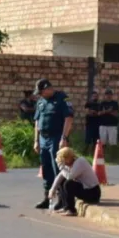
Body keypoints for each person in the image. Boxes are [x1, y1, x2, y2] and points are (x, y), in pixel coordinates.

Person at [32, 78, 74, 209]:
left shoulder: (62, 99)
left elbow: (69, 118)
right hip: (43, 138)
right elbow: (37, 122)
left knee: (58, 168)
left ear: (48, 88)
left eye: (42, 92)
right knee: (46, 168)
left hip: (57, 138)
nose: (40, 95)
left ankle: (62, 199)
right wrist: (36, 140)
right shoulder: (40, 102)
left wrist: (64, 138)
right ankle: (47, 197)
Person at [48, 147, 101, 217]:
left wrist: (61, 167)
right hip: (85, 189)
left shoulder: (80, 162)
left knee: (68, 183)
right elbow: (60, 176)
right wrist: (52, 189)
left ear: (68, 158)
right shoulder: (70, 163)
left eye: (63, 161)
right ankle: (65, 206)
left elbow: (70, 176)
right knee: (62, 181)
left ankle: (71, 210)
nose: (63, 164)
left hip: (93, 193)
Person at [83, 90, 101, 155]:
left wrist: (94, 112)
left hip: (97, 125)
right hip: (89, 124)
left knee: (95, 141)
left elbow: (100, 113)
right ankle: (85, 153)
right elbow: (87, 112)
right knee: (87, 140)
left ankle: (93, 154)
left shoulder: (99, 104)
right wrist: (92, 112)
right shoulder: (88, 103)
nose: (95, 97)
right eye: (94, 96)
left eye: (96, 96)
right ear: (91, 97)